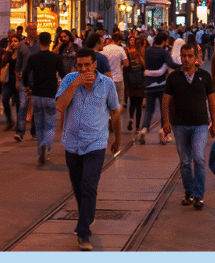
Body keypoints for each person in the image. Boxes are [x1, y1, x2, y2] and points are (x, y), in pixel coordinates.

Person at [55, 49, 123, 251]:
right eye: (79, 65)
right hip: (72, 144)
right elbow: (59, 106)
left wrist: (118, 139)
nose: (83, 69)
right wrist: (73, 86)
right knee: (78, 188)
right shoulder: (69, 80)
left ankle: (84, 232)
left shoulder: (107, 84)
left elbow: (115, 111)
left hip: (96, 143)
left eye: (87, 65)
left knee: (88, 186)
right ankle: (87, 217)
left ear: (95, 65)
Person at [162, 42, 215, 209]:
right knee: (185, 161)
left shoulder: (205, 76)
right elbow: (165, 101)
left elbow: (212, 101)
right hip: (179, 125)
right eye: (183, 56)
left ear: (196, 57)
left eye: (190, 56)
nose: (186, 59)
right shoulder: (173, 78)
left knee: (199, 159)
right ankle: (189, 191)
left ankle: (199, 195)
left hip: (200, 125)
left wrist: (214, 123)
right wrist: (166, 121)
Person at [20, 31, 63, 165]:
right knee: (50, 125)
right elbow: (64, 74)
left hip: (36, 95)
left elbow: (25, 73)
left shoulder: (33, 57)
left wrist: (27, 87)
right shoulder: (55, 58)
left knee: (38, 125)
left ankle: (41, 152)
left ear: (39, 42)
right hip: (50, 95)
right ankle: (46, 145)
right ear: (51, 42)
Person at [139, 32, 178, 145]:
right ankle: (162, 131)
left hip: (149, 84)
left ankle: (144, 129)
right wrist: (182, 66)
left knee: (148, 110)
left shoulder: (147, 51)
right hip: (162, 85)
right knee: (164, 109)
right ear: (164, 41)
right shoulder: (164, 52)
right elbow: (171, 64)